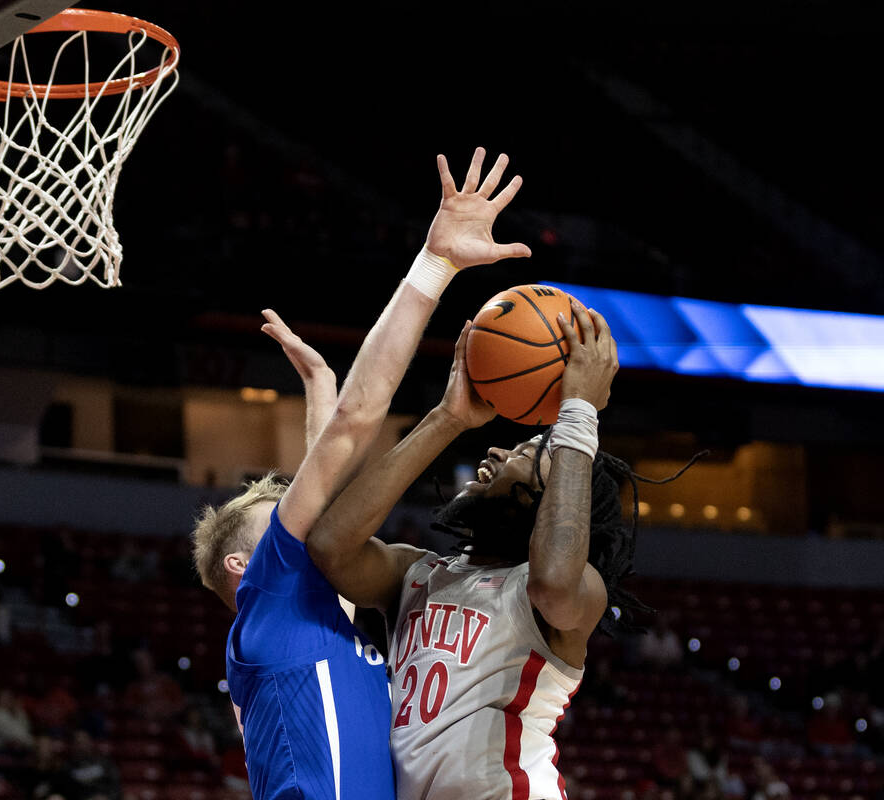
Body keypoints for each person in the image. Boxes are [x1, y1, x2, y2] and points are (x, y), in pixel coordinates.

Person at [190, 147, 530, 800]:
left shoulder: (313, 617)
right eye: (281, 519)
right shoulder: (272, 598)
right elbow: (356, 428)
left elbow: (337, 513)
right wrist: (436, 264)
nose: (301, 517)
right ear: (244, 565)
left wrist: (320, 387)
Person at [306, 298, 688, 798]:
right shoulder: (417, 573)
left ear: (555, 498)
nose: (496, 450)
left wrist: (578, 417)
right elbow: (329, 545)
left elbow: (553, 581)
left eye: (527, 455)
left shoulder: (574, 593)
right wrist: (447, 418)